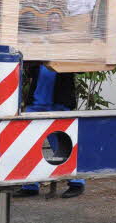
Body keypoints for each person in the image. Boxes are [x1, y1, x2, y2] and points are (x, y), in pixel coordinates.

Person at [15, 64, 85, 199]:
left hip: (60, 101)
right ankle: (30, 185)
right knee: (30, 143)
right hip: (37, 102)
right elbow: (30, 70)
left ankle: (76, 182)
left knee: (65, 143)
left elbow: (81, 67)